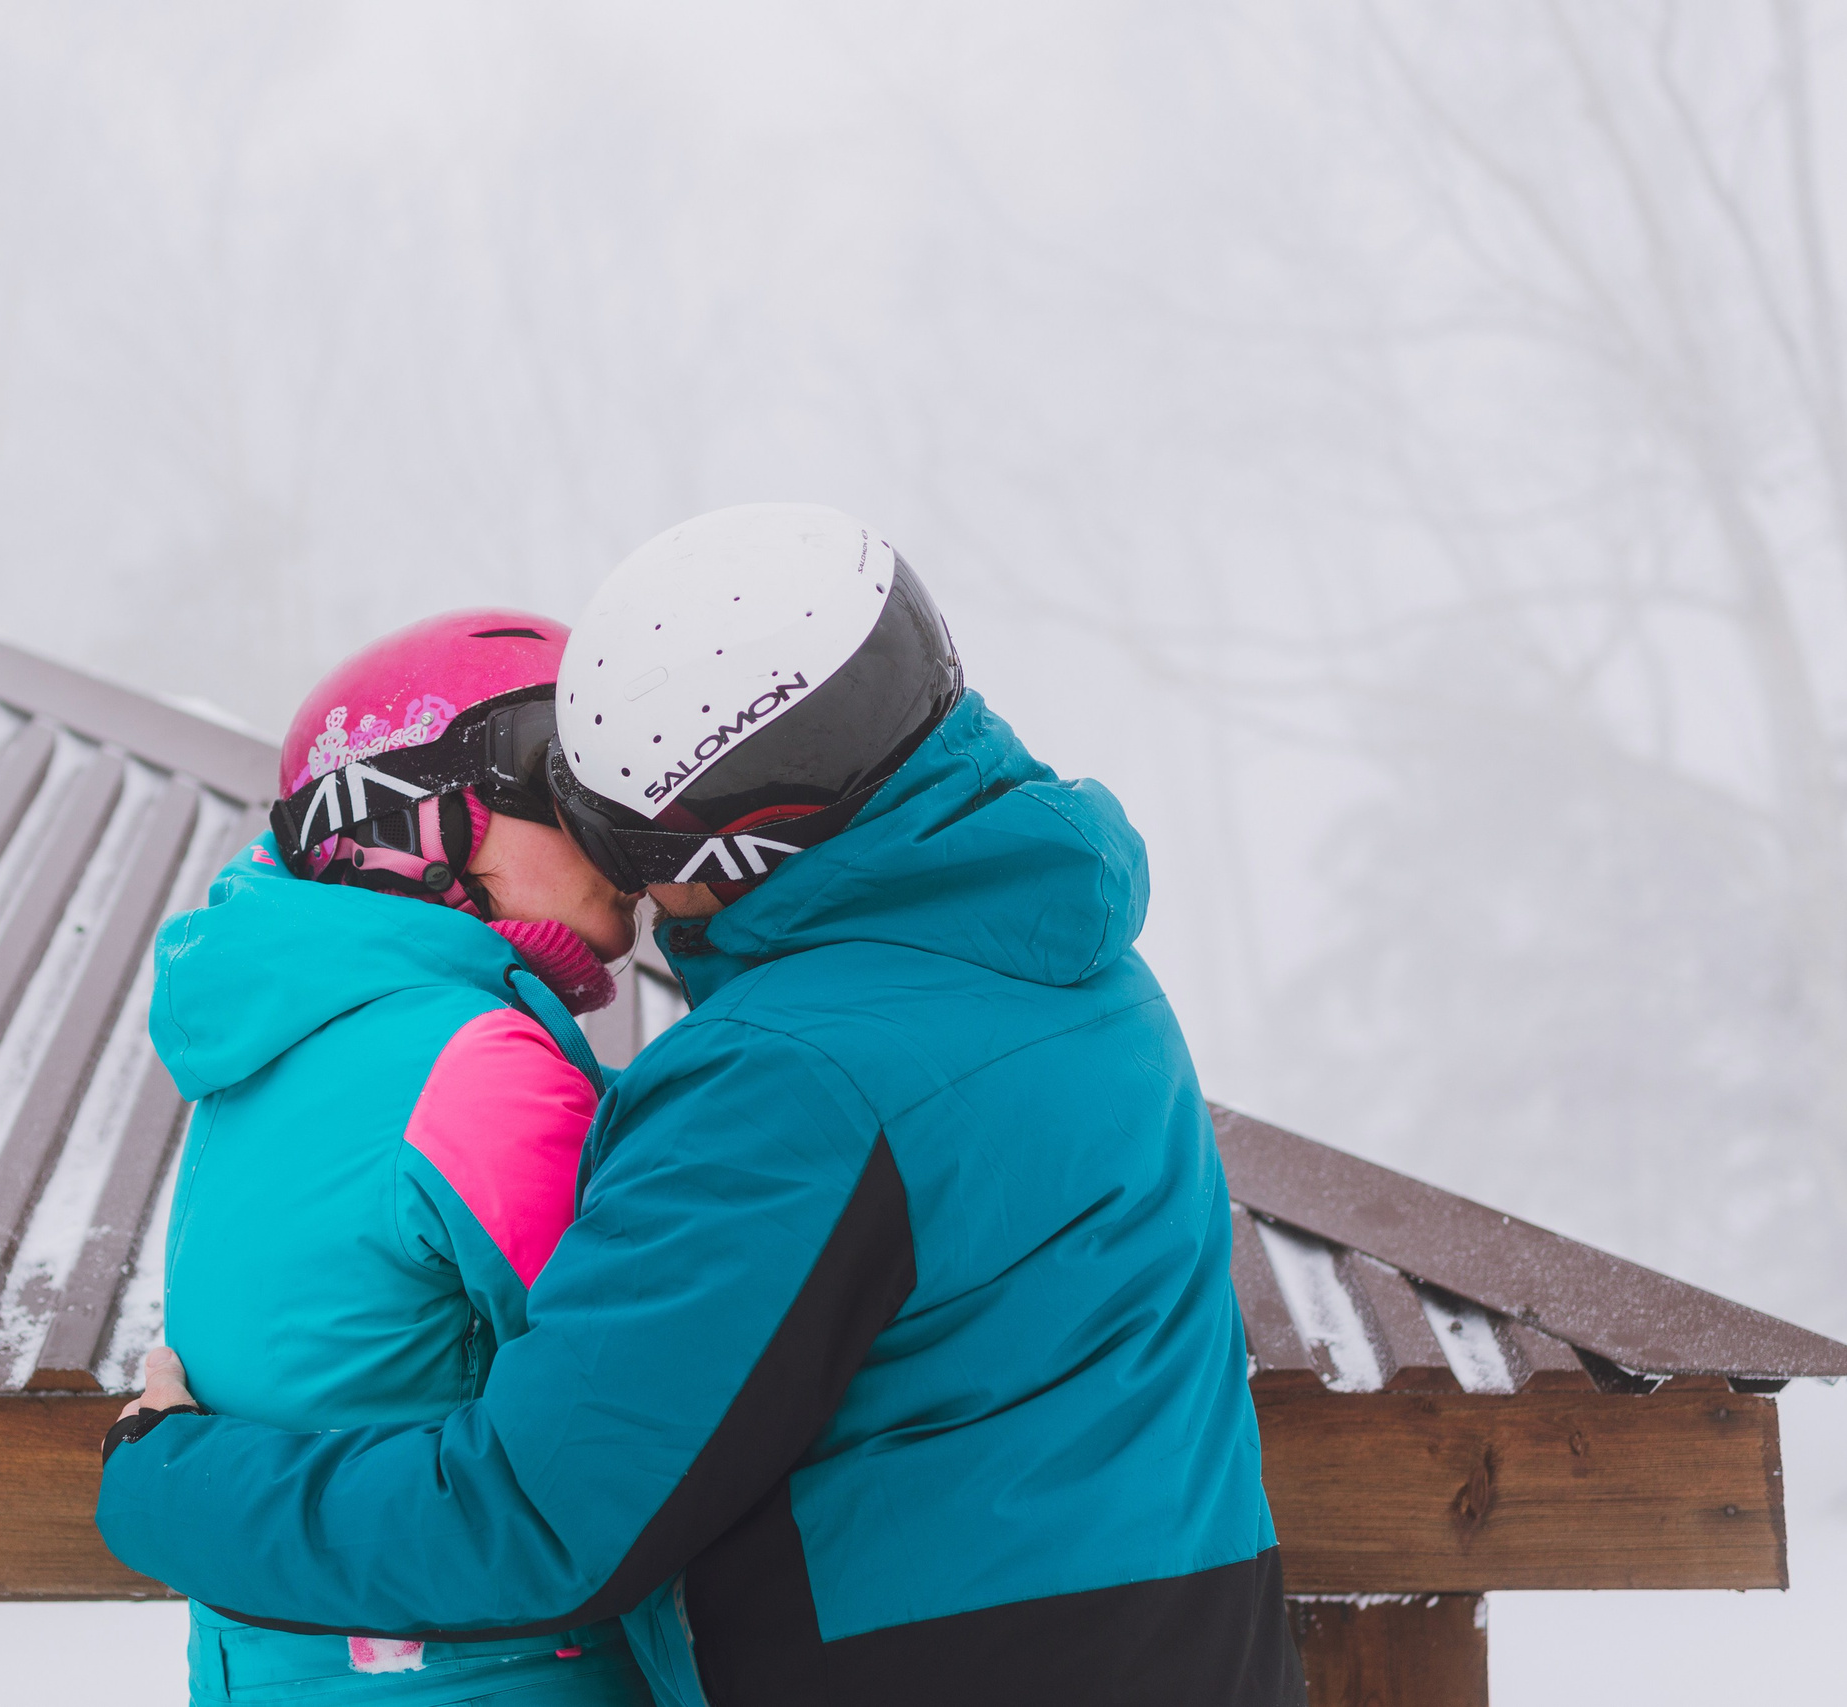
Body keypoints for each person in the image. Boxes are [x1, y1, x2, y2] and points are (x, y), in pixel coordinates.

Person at [106, 506, 1303, 1707]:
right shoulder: (1077, 971)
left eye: (617, 825)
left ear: (733, 846)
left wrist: (165, 1478)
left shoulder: (787, 1079)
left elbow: (533, 1518)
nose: (624, 884)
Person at [131, 609, 652, 1706]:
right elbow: (647, 1404)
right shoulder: (477, 1063)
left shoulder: (268, 1044)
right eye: (569, 785)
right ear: (418, 820)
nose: (627, 833)